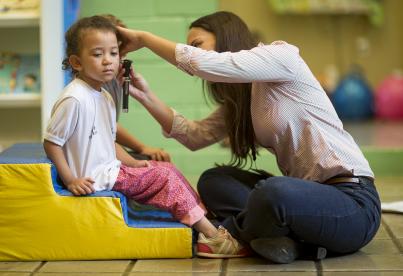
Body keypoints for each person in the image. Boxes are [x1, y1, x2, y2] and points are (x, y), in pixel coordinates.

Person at [116, 11, 381, 263]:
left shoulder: (282, 56)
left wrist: (144, 39)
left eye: (198, 44)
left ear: (225, 37)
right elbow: (194, 136)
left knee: (273, 193)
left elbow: (202, 63)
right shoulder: (244, 98)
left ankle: (222, 234)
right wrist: (145, 96)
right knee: (214, 180)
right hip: (305, 201)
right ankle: (284, 240)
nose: (195, 51)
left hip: (352, 204)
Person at [43, 15, 249, 259]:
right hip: (97, 178)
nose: (108, 61)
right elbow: (52, 142)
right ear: (76, 62)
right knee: (164, 178)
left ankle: (207, 223)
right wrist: (71, 179)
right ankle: (212, 238)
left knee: (166, 169)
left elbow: (108, 141)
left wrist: (134, 162)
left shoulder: (104, 97)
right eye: (98, 54)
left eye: (113, 53)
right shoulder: (73, 98)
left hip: (111, 170)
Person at [101, 14, 170, 162]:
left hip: (106, 147)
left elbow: (109, 126)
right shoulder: (94, 85)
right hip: (97, 154)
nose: (120, 61)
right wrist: (141, 149)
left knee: (161, 163)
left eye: (121, 54)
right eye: (114, 53)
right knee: (157, 168)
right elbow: (106, 129)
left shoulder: (115, 77)